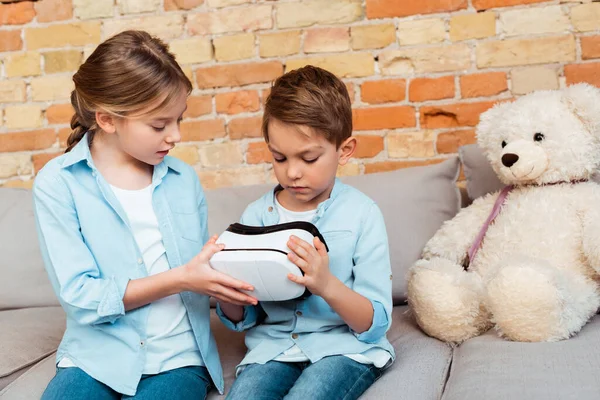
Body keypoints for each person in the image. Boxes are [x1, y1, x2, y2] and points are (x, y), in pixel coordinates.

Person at [34, 30, 257, 400]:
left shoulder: (183, 179)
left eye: (178, 120)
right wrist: (181, 279)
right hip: (95, 359)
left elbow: (203, 280)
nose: (175, 136)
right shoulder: (58, 183)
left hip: (178, 359)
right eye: (159, 125)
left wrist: (229, 282)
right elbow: (81, 297)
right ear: (107, 119)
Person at [218, 65, 395, 400]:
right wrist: (228, 296)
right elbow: (248, 316)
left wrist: (326, 284)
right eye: (279, 157)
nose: (293, 172)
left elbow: (375, 322)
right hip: (272, 351)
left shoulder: (362, 214)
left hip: (343, 348)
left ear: (344, 151)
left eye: (309, 158)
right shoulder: (256, 215)